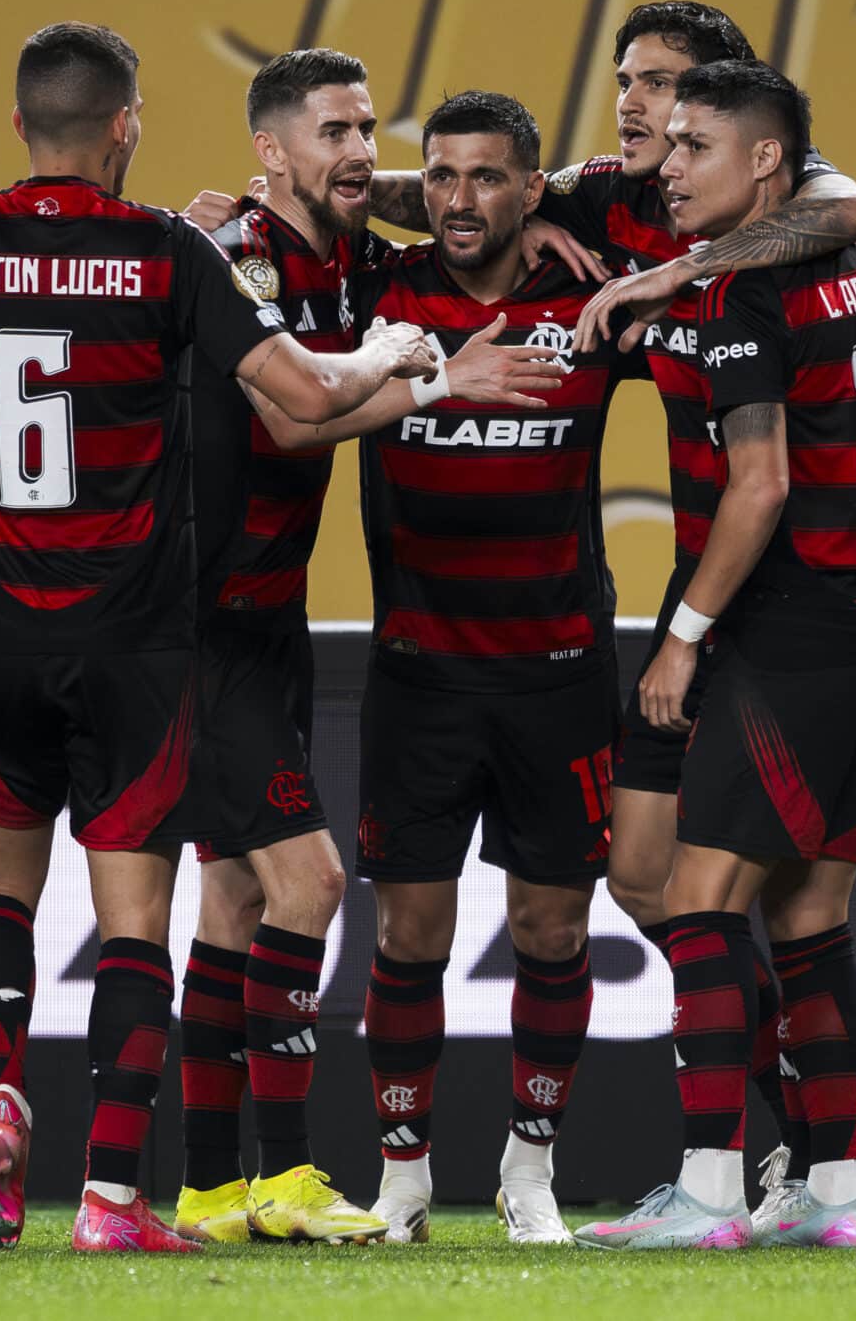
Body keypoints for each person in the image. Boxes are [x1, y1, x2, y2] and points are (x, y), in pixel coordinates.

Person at [0, 20, 436, 1254]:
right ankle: (111, 1198)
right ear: (123, 126)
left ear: (19, 124)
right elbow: (304, 398)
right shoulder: (166, 251)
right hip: (135, 644)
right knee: (133, 927)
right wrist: (393, 354)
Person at [372, 1, 856, 1227]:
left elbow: (848, 204)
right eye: (625, 79)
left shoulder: (765, 225)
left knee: (728, 900)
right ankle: (815, 1133)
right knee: (655, 882)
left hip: (761, 611)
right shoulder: (612, 196)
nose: (633, 104)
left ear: (731, 120)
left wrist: (681, 270)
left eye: (659, 85)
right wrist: (370, 191)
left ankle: (769, 1159)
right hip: (685, 604)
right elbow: (449, 193)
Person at [161, 49, 564, 1246]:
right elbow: (290, 418)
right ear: (268, 151)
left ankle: (208, 1190)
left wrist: (549, 228)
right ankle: (286, 1173)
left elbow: (454, 220)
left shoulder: (348, 262)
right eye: (331, 131)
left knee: (235, 899)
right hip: (196, 623)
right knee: (312, 885)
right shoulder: (238, 257)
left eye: (364, 129)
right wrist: (445, 381)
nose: (356, 152)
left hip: (267, 618)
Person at [575, 59, 856, 1251]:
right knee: (809, 917)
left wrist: (680, 639)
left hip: (781, 639)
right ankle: (835, 1199)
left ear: (766, 160)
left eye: (694, 146)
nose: (669, 167)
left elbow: (759, 483)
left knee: (697, 901)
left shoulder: (737, 293)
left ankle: (708, 1194)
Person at [340, 91, 626, 1247]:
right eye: (440, 175)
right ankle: (402, 1179)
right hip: (418, 674)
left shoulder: (589, 296)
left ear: (531, 187)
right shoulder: (375, 295)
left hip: (559, 672)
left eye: (488, 176)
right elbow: (291, 214)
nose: (460, 199)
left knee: (551, 934)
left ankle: (528, 1173)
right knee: (408, 939)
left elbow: (772, 209)